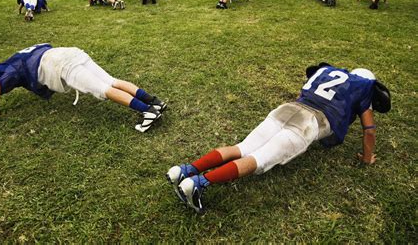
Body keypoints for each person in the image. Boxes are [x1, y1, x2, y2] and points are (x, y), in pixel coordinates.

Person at [167, 63, 391, 213]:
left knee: (242, 147)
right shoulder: (364, 88)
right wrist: (367, 158)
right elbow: (369, 129)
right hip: (309, 123)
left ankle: (186, 169)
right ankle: (199, 183)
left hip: (288, 108)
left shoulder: (329, 72)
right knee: (259, 159)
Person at [0, 43, 167, 132]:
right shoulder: (20, 55)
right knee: (111, 80)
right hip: (70, 52)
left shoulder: (11, 70)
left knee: (102, 89)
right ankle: (155, 102)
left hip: (61, 64)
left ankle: (148, 111)